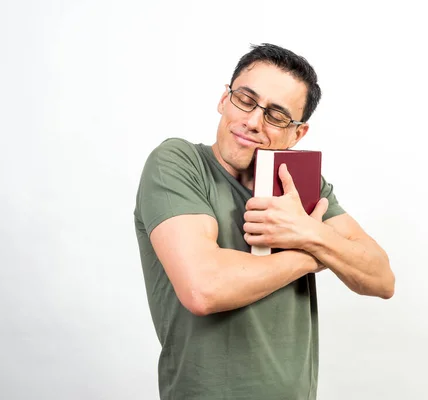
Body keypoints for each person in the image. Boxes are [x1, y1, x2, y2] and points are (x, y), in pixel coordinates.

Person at [134, 43, 395, 400]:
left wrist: (307, 232)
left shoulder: (300, 187)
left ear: (297, 134)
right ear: (224, 99)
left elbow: (381, 278)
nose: (253, 122)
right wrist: (313, 248)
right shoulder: (179, 162)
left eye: (276, 116)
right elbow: (203, 289)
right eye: (245, 99)